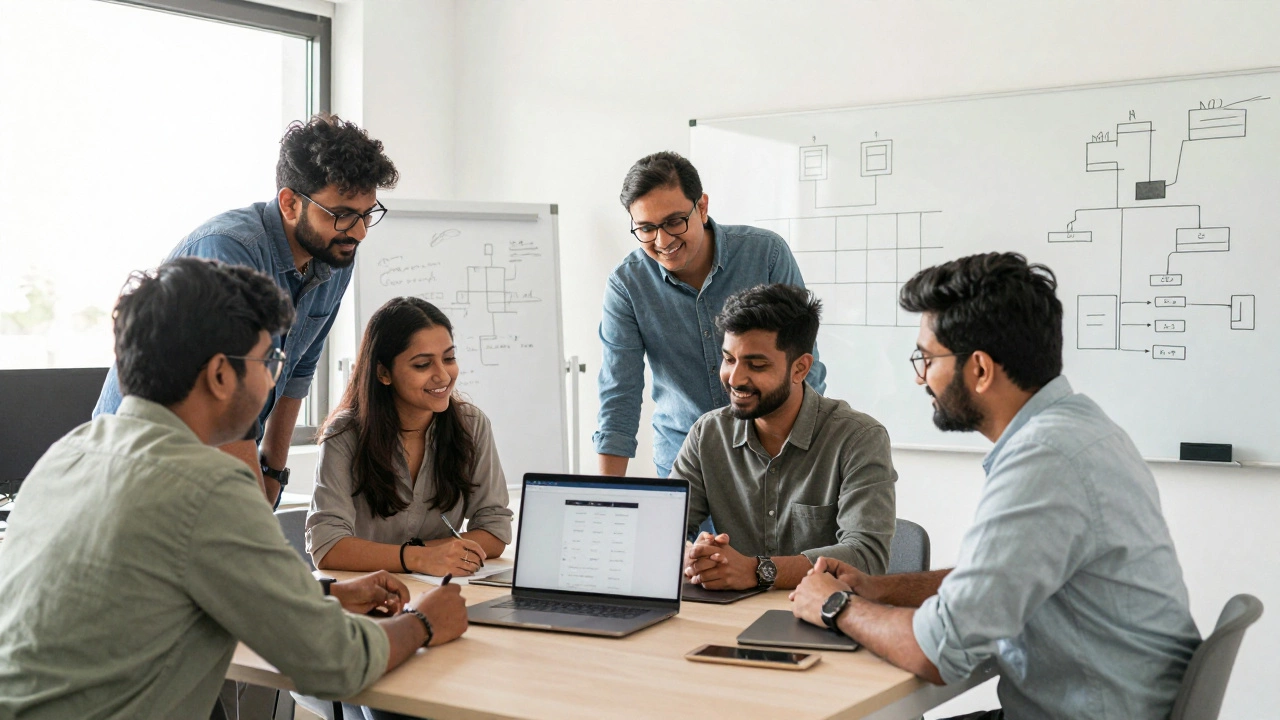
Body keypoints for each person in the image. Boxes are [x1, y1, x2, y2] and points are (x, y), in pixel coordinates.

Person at [0, 258, 468, 720]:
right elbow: (336, 662)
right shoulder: (205, 484)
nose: (272, 379)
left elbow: (153, 590)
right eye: (270, 360)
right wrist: (425, 622)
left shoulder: (67, 454)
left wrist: (323, 595)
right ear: (221, 375)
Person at [790, 252, 1201, 720]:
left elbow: (937, 652)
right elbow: (993, 583)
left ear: (980, 370)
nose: (919, 376)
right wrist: (880, 590)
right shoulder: (1081, 428)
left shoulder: (1045, 460)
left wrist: (836, 605)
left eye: (926, 358)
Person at [94, 113, 399, 507]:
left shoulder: (335, 256)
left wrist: (272, 471)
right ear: (290, 203)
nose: (358, 232)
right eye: (341, 214)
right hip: (143, 464)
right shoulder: (230, 250)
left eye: (367, 214)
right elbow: (227, 387)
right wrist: (252, 506)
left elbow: (298, 372)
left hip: (214, 460)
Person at [594, 151, 828, 478]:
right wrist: (606, 500)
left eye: (675, 221)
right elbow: (619, 395)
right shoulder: (627, 284)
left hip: (773, 451)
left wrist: (788, 452)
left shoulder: (766, 254)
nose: (662, 240)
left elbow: (803, 364)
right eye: (646, 228)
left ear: (701, 207)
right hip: (684, 458)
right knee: (685, 533)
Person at [675, 284, 896, 592]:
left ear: (800, 368)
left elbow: (866, 556)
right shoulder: (707, 434)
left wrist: (758, 571)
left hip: (825, 620)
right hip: (729, 616)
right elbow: (663, 532)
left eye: (757, 365)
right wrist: (692, 557)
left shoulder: (858, 438)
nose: (735, 378)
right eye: (729, 359)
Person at [307, 297, 513, 577]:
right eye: (422, 365)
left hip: (435, 588)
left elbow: (494, 529)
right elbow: (327, 546)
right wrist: (420, 558)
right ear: (383, 372)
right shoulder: (344, 434)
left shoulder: (472, 425)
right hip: (365, 592)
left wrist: (425, 554)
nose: (443, 376)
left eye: (449, 358)